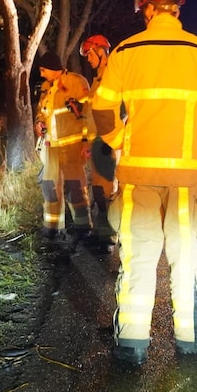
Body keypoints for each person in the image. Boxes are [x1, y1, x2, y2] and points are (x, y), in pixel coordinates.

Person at [90, 0, 197, 365]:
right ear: (177, 7)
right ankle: (191, 339)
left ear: (147, 9)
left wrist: (120, 140)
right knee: (186, 258)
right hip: (186, 180)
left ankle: (131, 344)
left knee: (138, 258)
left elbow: (102, 109)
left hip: (138, 178)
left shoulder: (125, 51)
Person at [35, 51, 94, 245]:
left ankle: (83, 226)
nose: (42, 74)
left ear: (52, 68)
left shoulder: (77, 82)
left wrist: (86, 142)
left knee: (75, 187)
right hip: (51, 146)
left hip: (72, 146)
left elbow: (88, 114)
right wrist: (38, 122)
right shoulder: (45, 87)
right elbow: (41, 112)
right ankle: (52, 228)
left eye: (43, 70)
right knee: (51, 188)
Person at [80, 34, 118, 249]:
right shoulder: (98, 80)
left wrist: (109, 139)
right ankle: (102, 231)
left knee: (107, 191)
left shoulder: (113, 76)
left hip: (107, 143)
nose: (88, 58)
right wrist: (87, 142)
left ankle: (109, 235)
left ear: (101, 52)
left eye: (90, 54)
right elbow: (91, 115)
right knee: (99, 189)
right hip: (97, 143)